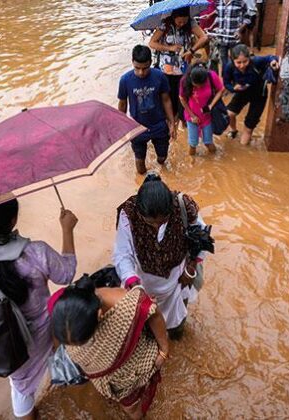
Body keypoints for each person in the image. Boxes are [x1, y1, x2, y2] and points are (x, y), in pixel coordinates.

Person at [0, 199, 78, 420]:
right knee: (61, 309)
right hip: (43, 336)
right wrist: (67, 230)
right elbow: (66, 275)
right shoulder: (36, 252)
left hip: (4, 345)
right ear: (14, 219)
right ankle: (64, 383)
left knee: (20, 387)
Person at [49, 276, 169, 419]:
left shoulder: (128, 306)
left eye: (83, 341)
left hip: (136, 368)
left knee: (133, 409)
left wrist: (164, 351)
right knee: (131, 408)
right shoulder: (61, 310)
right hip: (112, 382)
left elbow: (154, 314)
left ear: (100, 316)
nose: (77, 349)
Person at [113, 173, 208, 339]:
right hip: (144, 281)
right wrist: (134, 285)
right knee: (146, 323)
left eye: (163, 221)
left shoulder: (184, 205)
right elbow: (123, 254)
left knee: (177, 323)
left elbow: (201, 237)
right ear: (140, 214)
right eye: (150, 223)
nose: (157, 227)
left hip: (178, 277)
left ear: (170, 210)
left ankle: (176, 336)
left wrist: (191, 268)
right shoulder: (128, 214)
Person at [149, 7, 209, 135]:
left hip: (183, 68)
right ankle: (171, 122)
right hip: (166, 69)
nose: (182, 24)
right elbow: (152, 43)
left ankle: (182, 120)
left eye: (184, 21)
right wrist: (169, 47)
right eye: (179, 21)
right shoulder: (164, 24)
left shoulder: (191, 23)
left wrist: (191, 51)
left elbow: (204, 38)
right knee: (167, 96)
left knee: (183, 95)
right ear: (173, 17)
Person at [118, 45, 176, 175]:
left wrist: (172, 123)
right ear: (132, 62)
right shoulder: (125, 80)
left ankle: (163, 174)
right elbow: (122, 105)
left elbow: (166, 100)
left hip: (159, 125)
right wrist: (121, 128)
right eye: (137, 68)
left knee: (162, 158)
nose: (141, 72)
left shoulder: (160, 76)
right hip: (136, 128)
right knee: (139, 165)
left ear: (150, 62)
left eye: (145, 68)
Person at [223, 44, 279, 145]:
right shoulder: (229, 67)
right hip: (242, 92)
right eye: (238, 62)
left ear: (249, 58)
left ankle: (243, 149)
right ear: (232, 60)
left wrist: (273, 61)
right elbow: (226, 83)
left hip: (259, 94)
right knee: (229, 114)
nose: (242, 65)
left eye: (245, 61)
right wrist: (233, 88)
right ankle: (234, 130)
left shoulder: (256, 61)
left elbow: (270, 57)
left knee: (248, 129)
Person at [179, 63, 226, 155]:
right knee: (193, 144)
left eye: (202, 85)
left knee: (208, 142)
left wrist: (211, 105)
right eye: (196, 85)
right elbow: (182, 98)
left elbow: (221, 90)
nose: (199, 87)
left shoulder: (211, 75)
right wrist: (192, 116)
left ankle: (214, 162)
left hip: (207, 116)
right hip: (191, 116)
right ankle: (192, 163)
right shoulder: (184, 80)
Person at [213, 0, 252, 71]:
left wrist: (239, 31)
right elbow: (218, 17)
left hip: (234, 39)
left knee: (235, 60)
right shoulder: (218, 2)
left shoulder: (240, 2)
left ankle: (234, 78)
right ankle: (226, 78)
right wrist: (212, 27)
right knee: (223, 61)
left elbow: (247, 19)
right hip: (222, 38)